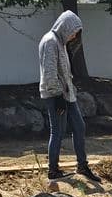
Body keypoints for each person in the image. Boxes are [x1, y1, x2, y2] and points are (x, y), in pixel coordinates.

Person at [39, 10, 100, 183]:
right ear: (65, 27)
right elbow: (50, 74)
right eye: (73, 31)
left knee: (79, 127)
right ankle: (53, 170)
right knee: (57, 131)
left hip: (66, 94)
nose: (74, 36)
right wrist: (58, 96)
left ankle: (82, 165)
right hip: (56, 95)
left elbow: (63, 72)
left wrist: (68, 90)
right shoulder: (51, 42)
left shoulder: (60, 43)